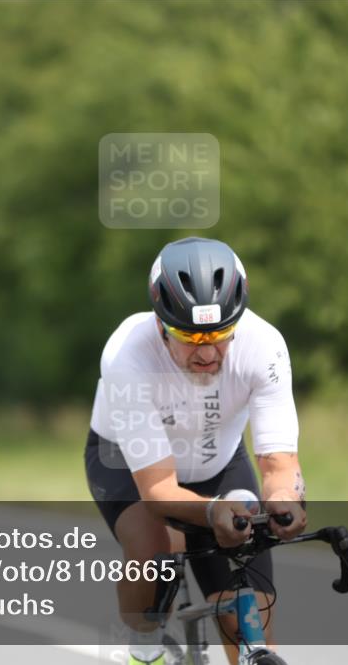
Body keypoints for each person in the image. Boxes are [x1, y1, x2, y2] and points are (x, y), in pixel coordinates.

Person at [85, 237, 307, 665]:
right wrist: (210, 513)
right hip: (128, 465)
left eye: (221, 334)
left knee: (251, 610)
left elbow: (280, 463)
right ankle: (143, 647)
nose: (207, 352)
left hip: (217, 461)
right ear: (160, 323)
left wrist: (285, 502)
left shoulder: (265, 346)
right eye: (189, 336)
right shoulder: (127, 353)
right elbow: (158, 491)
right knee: (157, 555)